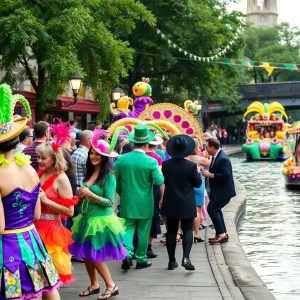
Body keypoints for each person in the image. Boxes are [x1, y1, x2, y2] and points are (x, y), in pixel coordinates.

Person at [0, 84, 61, 299]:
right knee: (48, 286)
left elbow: (0, 226)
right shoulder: (30, 170)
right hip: (32, 240)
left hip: (7, 247)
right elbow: (35, 215)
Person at [69, 132, 126, 299]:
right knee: (86, 254)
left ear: (104, 156)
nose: (93, 156)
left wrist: (91, 195)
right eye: (91, 153)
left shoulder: (109, 176)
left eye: (97, 154)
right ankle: (94, 284)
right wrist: (81, 195)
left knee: (95, 254)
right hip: (86, 218)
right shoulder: (90, 171)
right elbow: (87, 195)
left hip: (101, 221)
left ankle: (111, 285)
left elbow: (109, 202)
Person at [114, 124, 164, 270]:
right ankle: (141, 259)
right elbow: (159, 181)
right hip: (145, 202)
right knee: (143, 231)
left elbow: (115, 180)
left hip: (127, 200)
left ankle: (128, 254)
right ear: (147, 143)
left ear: (133, 142)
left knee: (128, 228)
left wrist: (122, 193)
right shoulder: (151, 161)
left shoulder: (121, 159)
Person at [35, 141, 77, 284]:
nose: (39, 161)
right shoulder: (38, 174)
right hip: (34, 229)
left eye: (43, 158)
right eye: (38, 157)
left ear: (54, 158)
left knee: (50, 280)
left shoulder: (61, 178)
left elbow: (70, 211)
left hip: (52, 233)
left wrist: (47, 201)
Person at [161, 135, 202, 271]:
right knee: (187, 228)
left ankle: (171, 261)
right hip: (186, 201)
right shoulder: (191, 166)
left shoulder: (166, 165)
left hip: (170, 200)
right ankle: (186, 257)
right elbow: (198, 183)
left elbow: (164, 181)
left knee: (171, 230)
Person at [201, 138, 236, 244]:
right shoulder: (216, 156)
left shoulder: (223, 158)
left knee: (212, 209)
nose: (205, 149)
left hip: (223, 191)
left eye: (206, 147)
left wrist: (210, 175)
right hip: (219, 191)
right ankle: (222, 233)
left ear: (212, 147)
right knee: (216, 210)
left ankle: (221, 234)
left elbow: (226, 175)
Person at [186, 138, 210, 243]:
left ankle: (182, 232)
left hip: (187, 185)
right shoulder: (200, 159)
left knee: (184, 210)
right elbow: (212, 164)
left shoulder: (184, 158)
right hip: (199, 185)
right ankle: (196, 234)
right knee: (197, 211)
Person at [145, 135, 165, 258]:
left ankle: (131, 249)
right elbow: (160, 179)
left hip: (135, 191)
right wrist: (163, 196)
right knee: (153, 217)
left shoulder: (133, 156)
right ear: (156, 145)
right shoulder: (157, 157)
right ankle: (148, 246)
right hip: (153, 189)